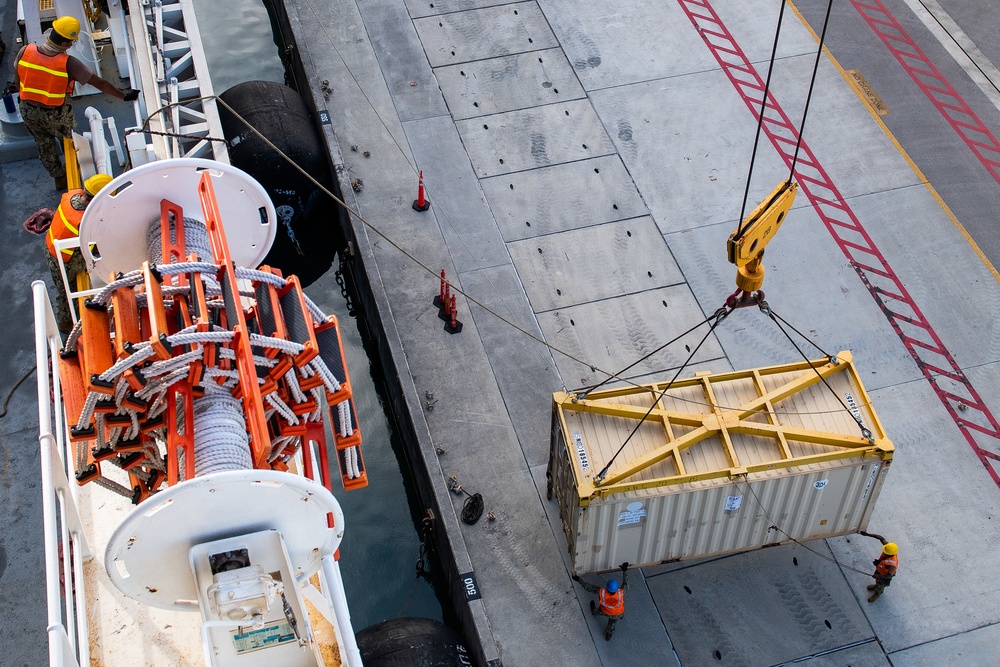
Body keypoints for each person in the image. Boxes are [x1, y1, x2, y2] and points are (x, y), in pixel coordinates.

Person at [13, 16, 138, 189]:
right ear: (64, 44)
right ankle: (74, 174)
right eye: (71, 42)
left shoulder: (25, 51)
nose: (71, 45)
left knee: (44, 144)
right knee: (69, 143)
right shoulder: (68, 63)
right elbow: (99, 83)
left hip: (27, 110)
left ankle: (58, 178)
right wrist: (124, 95)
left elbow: (17, 80)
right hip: (55, 114)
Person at [46, 173, 112, 333]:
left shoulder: (73, 195)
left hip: (51, 245)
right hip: (63, 259)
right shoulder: (83, 222)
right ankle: (66, 323)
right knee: (67, 290)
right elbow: (97, 242)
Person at [573, 562, 629, 640]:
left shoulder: (602, 592)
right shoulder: (621, 592)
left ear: (607, 587)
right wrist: (625, 570)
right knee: (613, 622)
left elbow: (588, 587)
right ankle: (609, 634)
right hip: (618, 613)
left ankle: (594, 612)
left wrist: (578, 580)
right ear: (617, 589)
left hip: (605, 611)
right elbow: (626, 583)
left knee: (597, 611)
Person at [861, 531, 898, 602]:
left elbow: (888, 576)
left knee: (880, 585)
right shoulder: (889, 548)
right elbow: (880, 537)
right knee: (877, 581)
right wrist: (867, 534)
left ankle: (877, 593)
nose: (884, 553)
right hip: (880, 568)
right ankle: (876, 585)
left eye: (886, 553)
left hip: (884, 575)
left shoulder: (892, 564)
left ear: (891, 554)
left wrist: (879, 576)